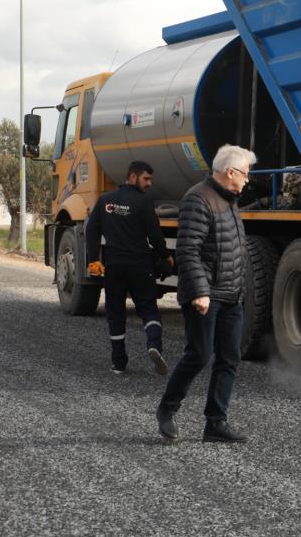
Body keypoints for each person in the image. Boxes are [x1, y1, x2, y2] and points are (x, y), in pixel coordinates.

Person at [155, 144, 256, 443]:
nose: (248, 180)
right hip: (205, 295)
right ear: (230, 172)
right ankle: (167, 409)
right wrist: (200, 292)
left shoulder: (229, 199)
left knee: (229, 359)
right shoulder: (198, 199)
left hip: (230, 294)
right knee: (199, 355)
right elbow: (188, 250)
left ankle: (216, 423)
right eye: (246, 174)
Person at [85, 161, 172, 375]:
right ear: (132, 177)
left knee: (115, 313)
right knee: (148, 309)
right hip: (140, 265)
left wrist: (93, 258)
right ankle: (154, 345)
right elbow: (154, 235)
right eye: (146, 179)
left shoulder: (106, 201)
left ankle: (119, 362)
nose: (149, 184)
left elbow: (91, 231)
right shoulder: (144, 202)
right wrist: (166, 256)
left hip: (114, 266)